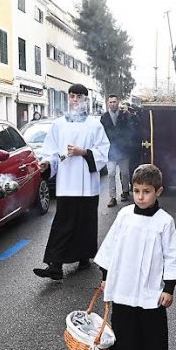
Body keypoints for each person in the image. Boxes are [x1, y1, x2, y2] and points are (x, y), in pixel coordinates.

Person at [94, 164, 176, 350]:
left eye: (147, 192)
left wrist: (169, 288)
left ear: (158, 191)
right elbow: (110, 247)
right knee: (122, 325)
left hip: (148, 287)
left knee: (144, 327)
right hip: (123, 284)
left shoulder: (165, 221)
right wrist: (106, 277)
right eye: (137, 191)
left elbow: (172, 256)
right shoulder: (124, 215)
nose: (141, 197)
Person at [33, 84, 110, 280]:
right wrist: (46, 163)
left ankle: (84, 257)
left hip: (87, 184)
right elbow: (51, 150)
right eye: (71, 96)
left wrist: (83, 152)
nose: (74, 100)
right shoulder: (59, 124)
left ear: (85, 99)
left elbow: (103, 150)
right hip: (67, 183)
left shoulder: (94, 124)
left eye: (78, 96)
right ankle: (55, 265)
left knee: (85, 223)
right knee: (63, 223)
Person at [101, 94, 133, 207]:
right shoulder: (104, 117)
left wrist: (127, 143)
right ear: (107, 103)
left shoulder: (125, 115)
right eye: (110, 102)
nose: (112, 104)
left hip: (123, 149)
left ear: (118, 102)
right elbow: (101, 134)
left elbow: (130, 130)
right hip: (110, 151)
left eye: (114, 102)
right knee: (111, 173)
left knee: (124, 172)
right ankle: (112, 197)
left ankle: (125, 191)